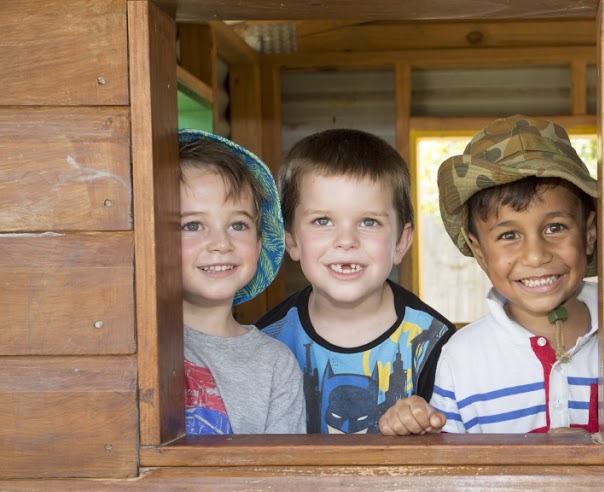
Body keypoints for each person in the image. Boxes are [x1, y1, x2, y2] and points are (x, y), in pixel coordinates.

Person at [379, 115, 600, 435]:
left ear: (589, 233)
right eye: (509, 235)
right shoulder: (462, 357)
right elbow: (451, 467)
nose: (536, 255)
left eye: (555, 228)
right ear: (478, 249)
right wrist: (415, 430)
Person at [256, 129, 455, 434]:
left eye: (368, 222)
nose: (346, 241)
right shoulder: (265, 341)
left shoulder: (434, 343)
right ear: (291, 240)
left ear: (401, 241)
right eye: (322, 221)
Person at [178, 129, 306, 435]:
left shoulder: (275, 364)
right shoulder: (135, 343)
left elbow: (280, 474)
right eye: (192, 225)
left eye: (238, 224)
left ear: (260, 244)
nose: (221, 243)